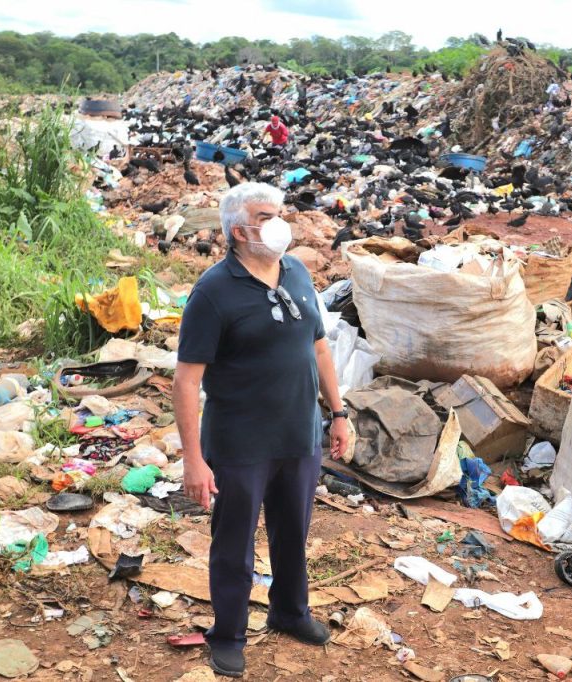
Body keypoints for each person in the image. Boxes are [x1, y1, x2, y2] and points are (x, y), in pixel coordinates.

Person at [173, 182, 349, 678]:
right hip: (240, 443)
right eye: (265, 216)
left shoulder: (296, 272)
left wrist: (338, 413)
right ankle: (227, 633)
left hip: (299, 434)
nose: (279, 223)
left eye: (280, 213)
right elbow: (186, 380)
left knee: (294, 531)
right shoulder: (214, 292)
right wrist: (194, 459)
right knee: (234, 542)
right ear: (237, 230)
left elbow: (318, 347)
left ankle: (290, 611)